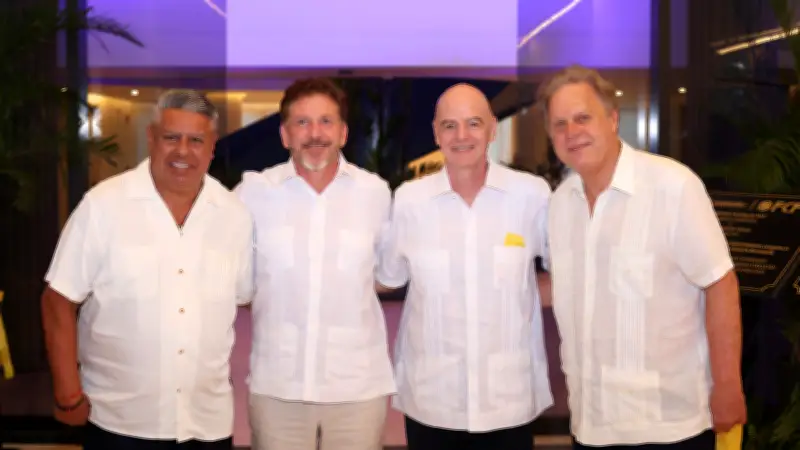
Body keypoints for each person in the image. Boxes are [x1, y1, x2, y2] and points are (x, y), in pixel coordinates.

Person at [538, 65, 747, 450]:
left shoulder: (673, 186)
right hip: (590, 423)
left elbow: (719, 283)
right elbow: (568, 285)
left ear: (612, 119)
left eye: (583, 118)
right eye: (560, 124)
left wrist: (728, 385)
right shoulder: (560, 204)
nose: (572, 132)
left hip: (667, 426)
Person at [41, 90, 254, 450]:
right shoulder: (103, 206)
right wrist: (67, 395)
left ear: (212, 146)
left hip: (206, 424)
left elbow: (243, 295)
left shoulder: (234, 214)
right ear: (151, 138)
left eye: (195, 140)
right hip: (120, 422)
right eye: (171, 137)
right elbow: (58, 300)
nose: (183, 151)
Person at [377, 83, 553, 450]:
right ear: (435, 133)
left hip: (509, 399)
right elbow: (389, 276)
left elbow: (564, 271)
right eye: (450, 125)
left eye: (473, 123)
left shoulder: (532, 195)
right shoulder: (410, 201)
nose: (462, 136)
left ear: (492, 129)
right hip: (432, 399)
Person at [234, 78, 395, 450]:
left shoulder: (375, 193)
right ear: (285, 135)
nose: (315, 134)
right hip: (278, 388)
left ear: (343, 132)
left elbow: (387, 275)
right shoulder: (254, 193)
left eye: (326, 121)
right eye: (302, 122)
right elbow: (233, 276)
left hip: (357, 389)